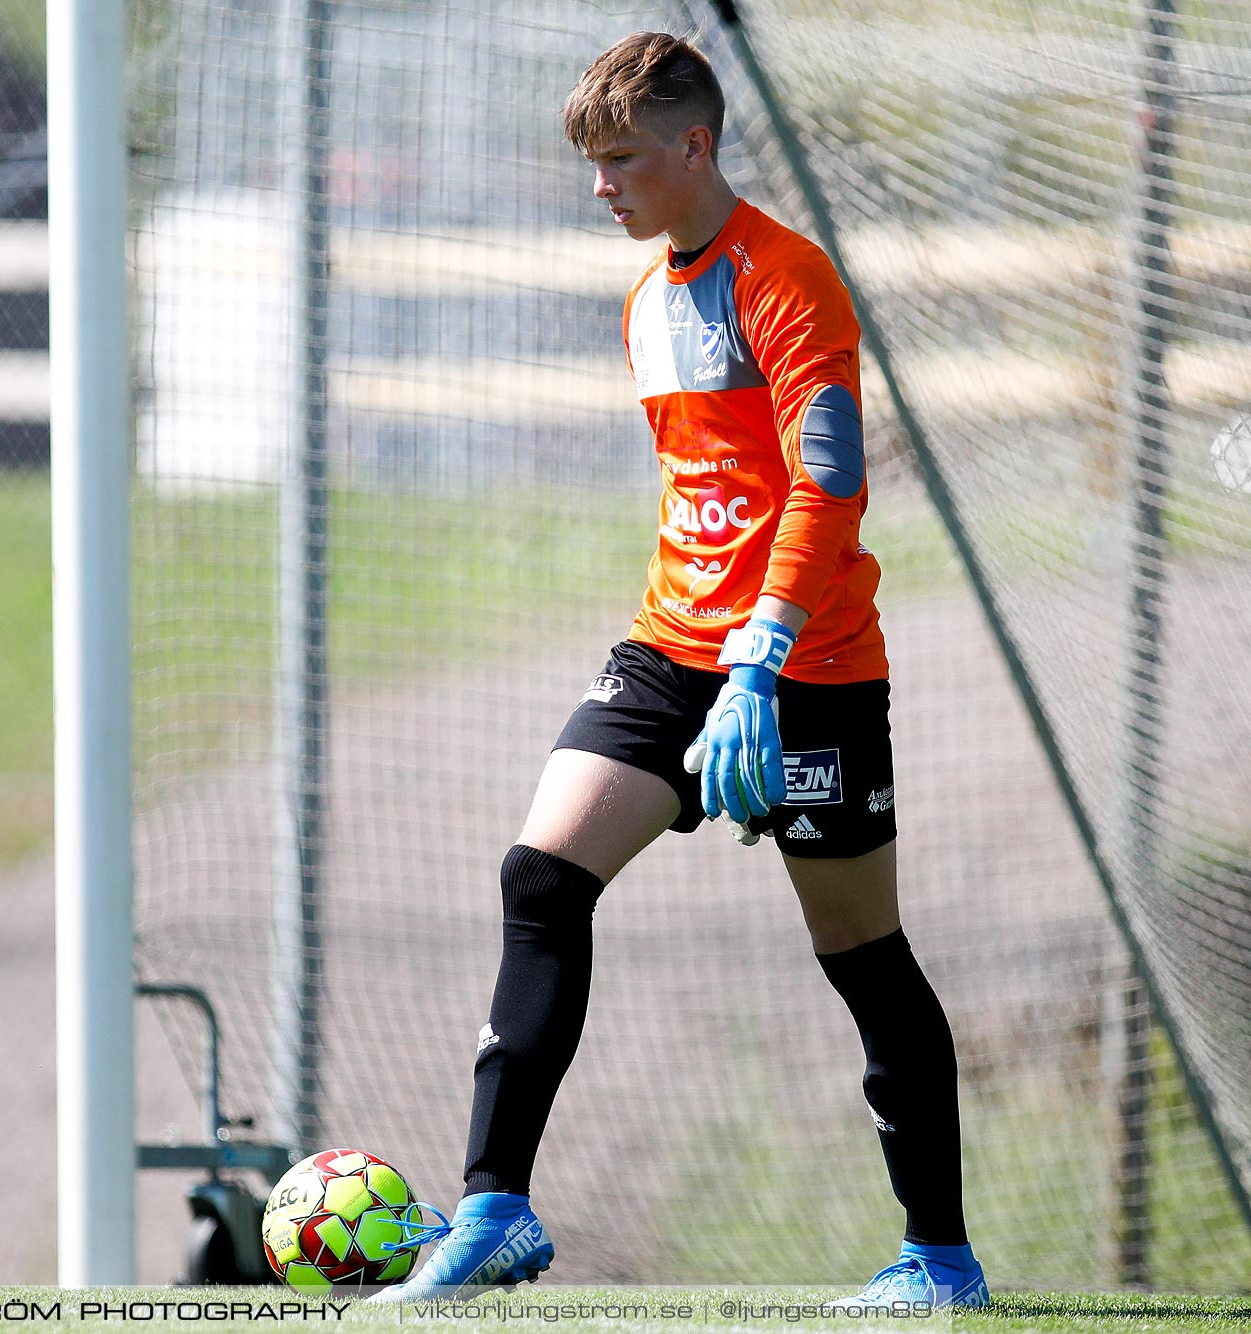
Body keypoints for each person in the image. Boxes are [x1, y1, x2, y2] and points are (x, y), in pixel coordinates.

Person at [372, 30, 989, 1309]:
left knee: (862, 952)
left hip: (804, 663)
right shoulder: (646, 298)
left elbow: (828, 481)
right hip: (671, 652)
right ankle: (496, 1210)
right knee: (542, 873)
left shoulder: (791, 278)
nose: (602, 187)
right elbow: (700, 490)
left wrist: (762, 659)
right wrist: (713, 657)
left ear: (695, 145)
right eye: (591, 165)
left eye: (621, 161)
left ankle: (939, 1259)